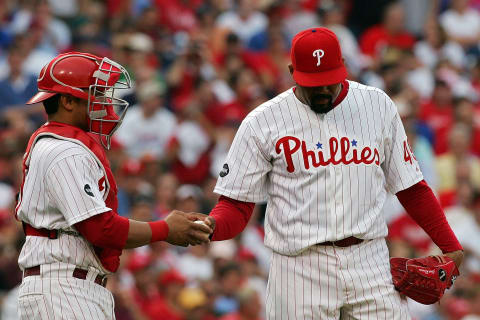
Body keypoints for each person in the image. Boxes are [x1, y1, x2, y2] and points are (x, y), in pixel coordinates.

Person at [202, 28, 464, 319]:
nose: (323, 90)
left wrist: (451, 246)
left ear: (343, 66)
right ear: (292, 71)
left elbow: (411, 187)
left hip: (369, 258)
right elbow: (237, 206)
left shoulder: (377, 105)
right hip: (299, 266)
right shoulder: (262, 122)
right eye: (313, 84)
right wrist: (210, 225)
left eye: (329, 81)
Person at [15, 52, 212, 319]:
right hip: (63, 287)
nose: (104, 102)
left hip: (68, 285)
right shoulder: (64, 151)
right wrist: (164, 229)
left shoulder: (60, 145)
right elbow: (100, 228)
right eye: (95, 94)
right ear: (67, 101)